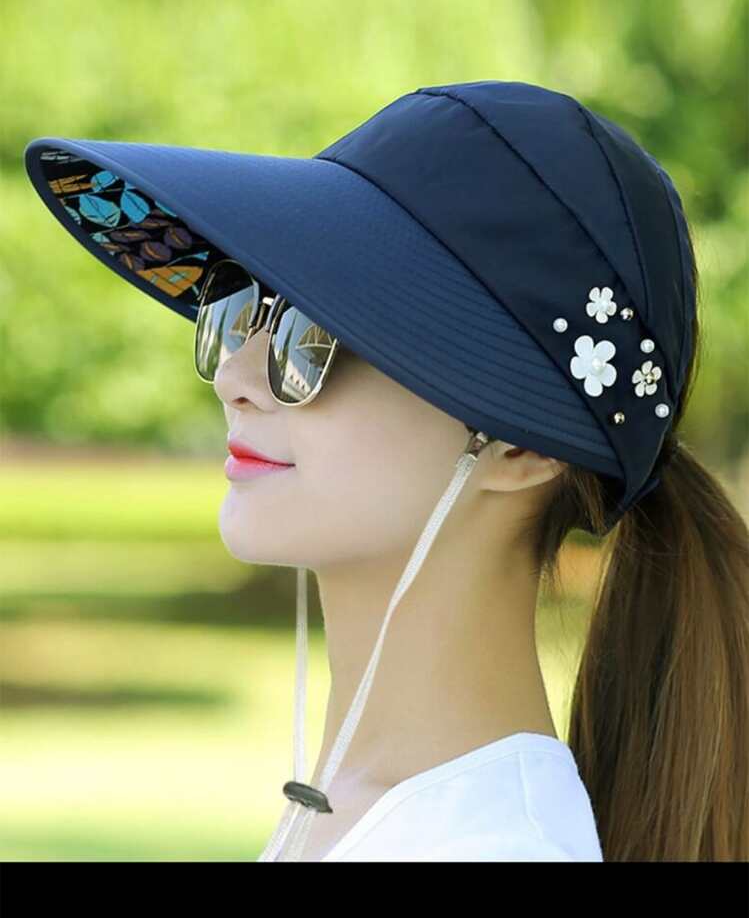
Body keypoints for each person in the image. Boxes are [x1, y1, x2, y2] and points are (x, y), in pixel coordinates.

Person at [24, 80, 749, 862]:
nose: (235, 375)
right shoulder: (373, 812)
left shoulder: (490, 848)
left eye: (314, 332)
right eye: (240, 306)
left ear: (521, 446)